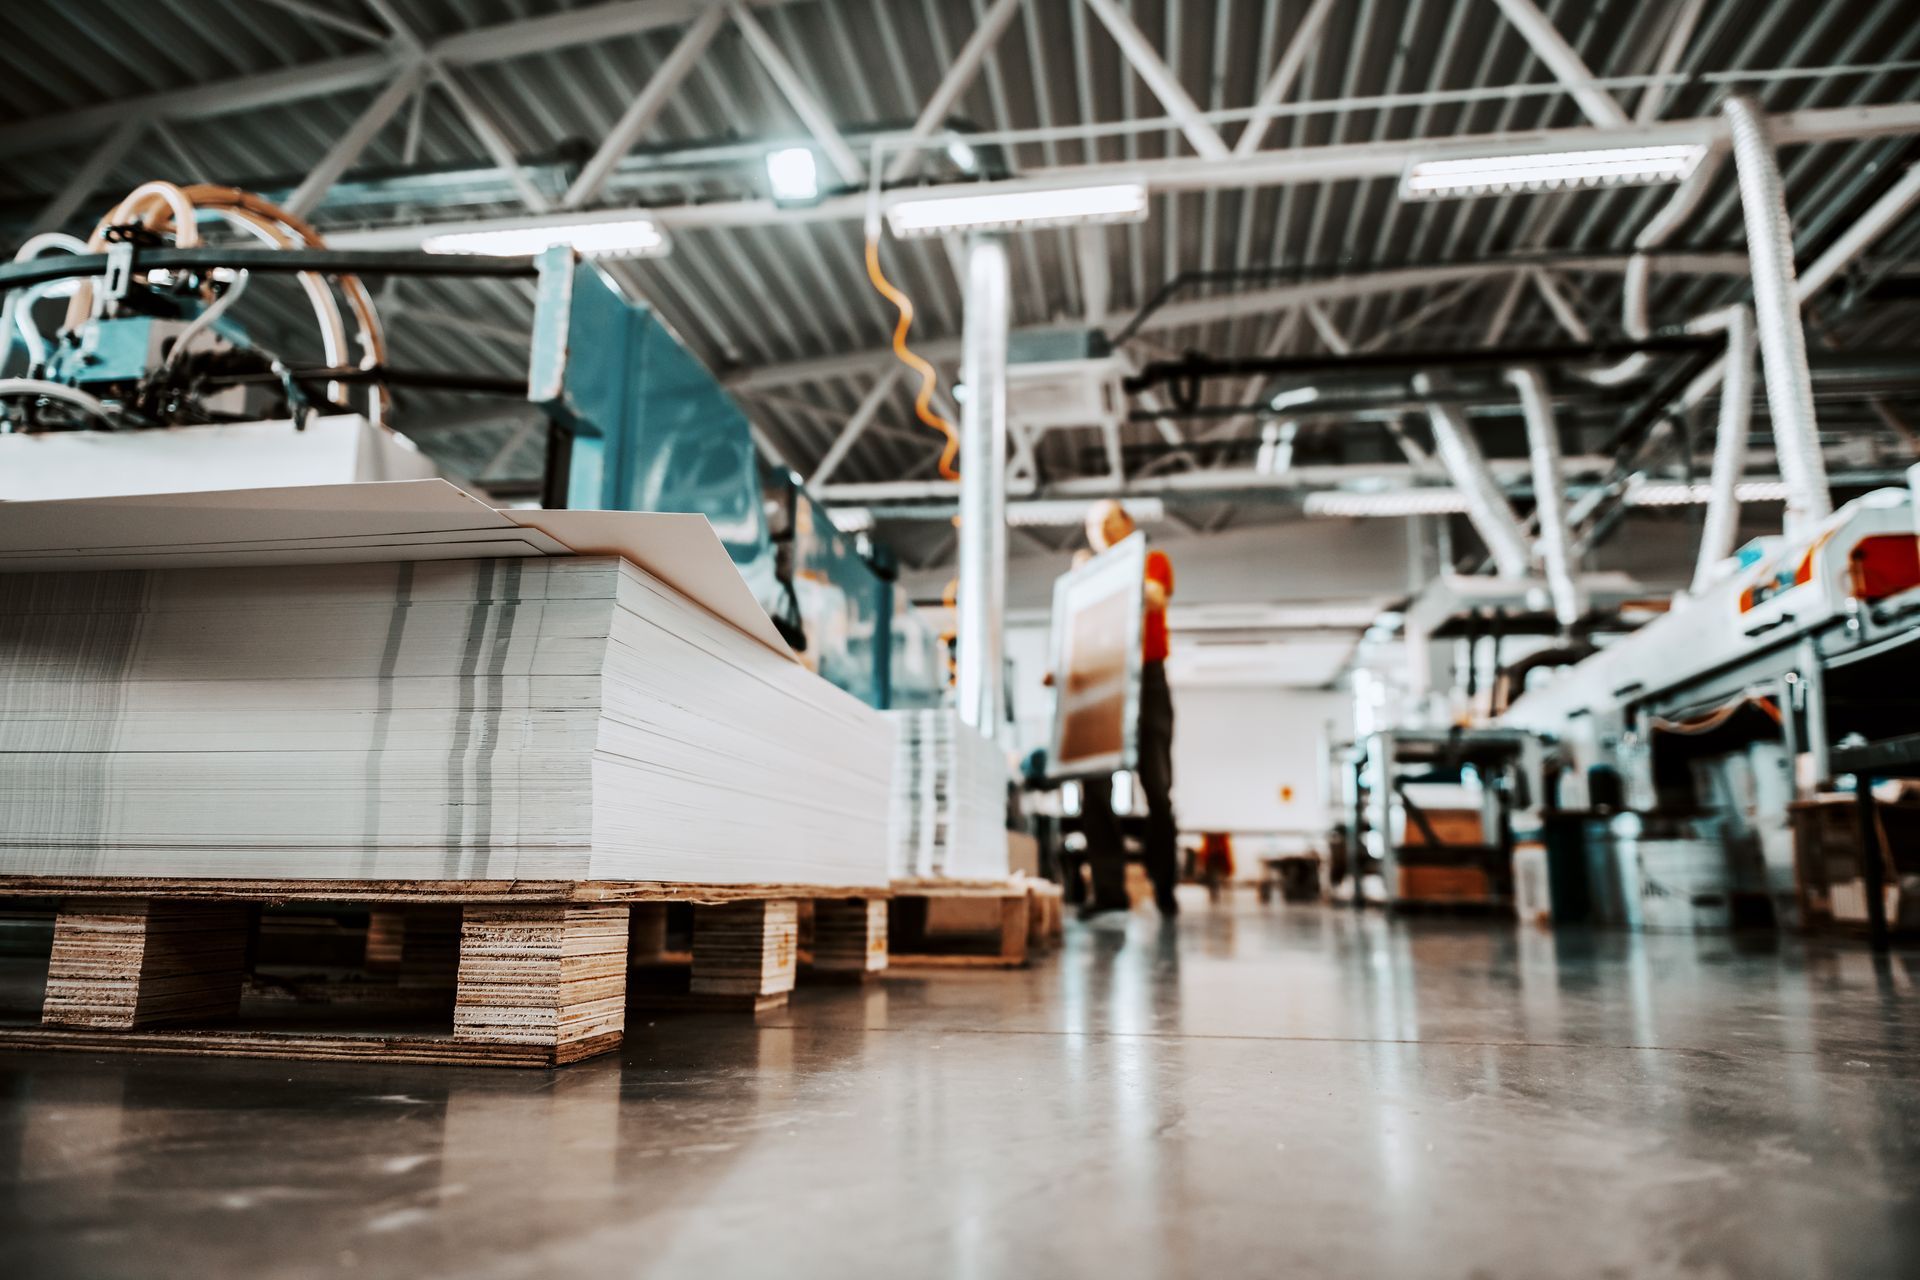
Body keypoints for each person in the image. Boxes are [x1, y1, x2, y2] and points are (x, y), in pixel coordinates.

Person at [1072, 500, 1179, 920]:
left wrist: (1102, 574)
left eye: (1109, 521)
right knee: (1094, 786)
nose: (1102, 530)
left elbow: (1154, 598)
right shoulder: (1087, 574)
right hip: (1103, 680)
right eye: (1094, 525)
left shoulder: (1151, 561)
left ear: (1128, 524)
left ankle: (1165, 887)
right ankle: (1109, 889)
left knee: (1157, 787)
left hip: (1147, 678)